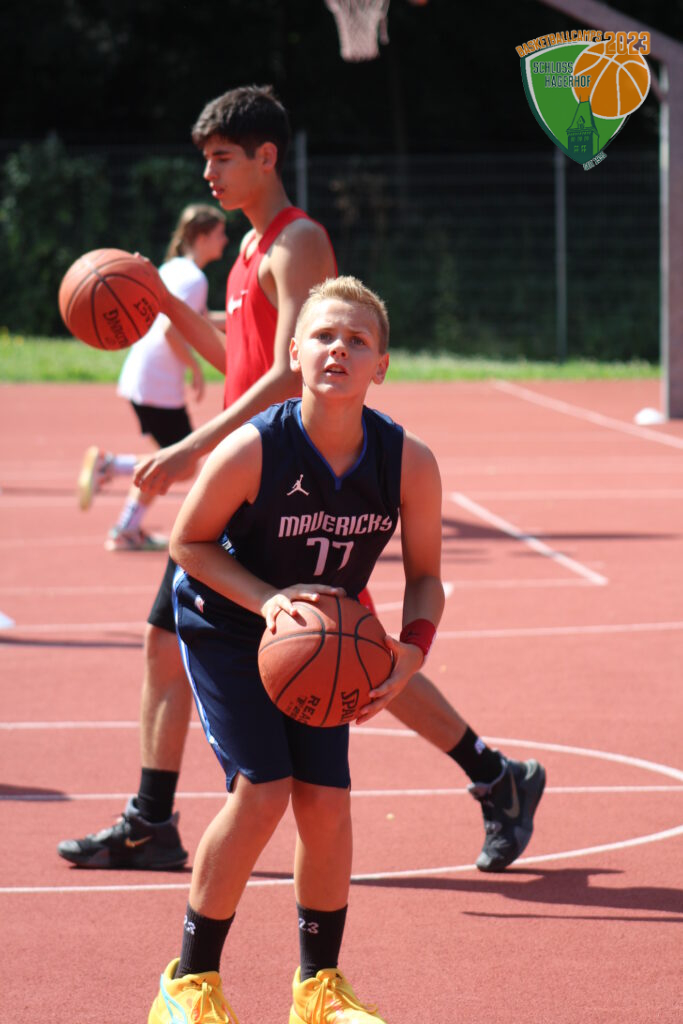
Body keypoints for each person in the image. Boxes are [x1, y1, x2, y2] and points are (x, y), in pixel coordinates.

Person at [57, 85, 545, 879]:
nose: (209, 175)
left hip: (296, 474)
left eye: (222, 159)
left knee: (351, 654)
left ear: (265, 157)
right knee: (273, 647)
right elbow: (244, 361)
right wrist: (165, 305)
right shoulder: (250, 250)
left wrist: (190, 450)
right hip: (255, 478)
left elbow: (294, 377)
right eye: (206, 160)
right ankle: (153, 818)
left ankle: (494, 775)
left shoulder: (297, 241)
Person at [149, 275, 443, 1024]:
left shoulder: (407, 461)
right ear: (294, 354)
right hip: (227, 622)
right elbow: (187, 542)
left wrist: (412, 650)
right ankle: (188, 985)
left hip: (317, 641)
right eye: (322, 336)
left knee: (326, 802)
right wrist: (268, 601)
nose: (338, 349)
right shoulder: (257, 447)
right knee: (264, 790)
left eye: (357, 340)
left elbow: (425, 577)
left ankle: (319, 990)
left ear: (382, 366)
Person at [77, 203, 228, 551]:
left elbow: (199, 318)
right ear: (202, 237)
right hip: (158, 383)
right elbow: (170, 330)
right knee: (182, 464)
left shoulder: (173, 268)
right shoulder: (195, 279)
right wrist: (194, 367)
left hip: (143, 376)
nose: (225, 240)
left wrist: (243, 317)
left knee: (170, 457)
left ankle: (126, 528)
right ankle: (110, 466)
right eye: (219, 233)